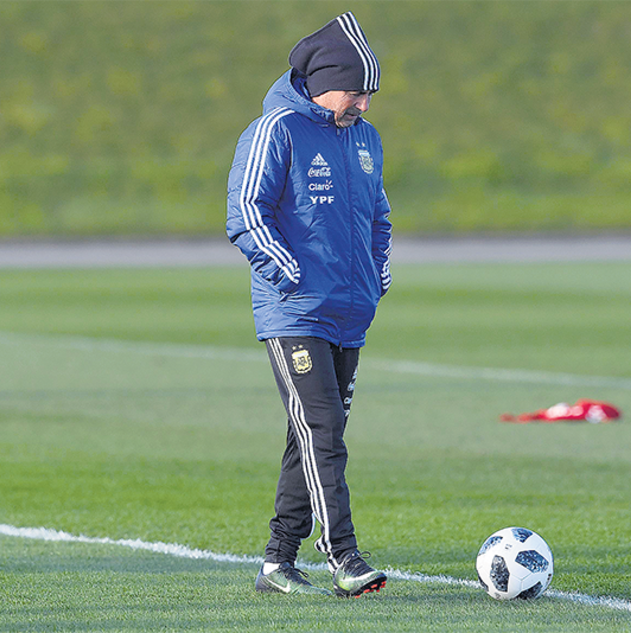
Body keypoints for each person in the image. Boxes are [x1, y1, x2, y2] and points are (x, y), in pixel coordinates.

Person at [226, 12, 392, 597]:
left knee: (314, 433)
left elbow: (378, 216)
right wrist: (290, 275)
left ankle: (277, 562)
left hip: (350, 312)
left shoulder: (365, 138)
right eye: (356, 92)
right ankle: (343, 555)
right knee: (323, 428)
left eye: (369, 95)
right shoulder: (275, 130)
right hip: (294, 311)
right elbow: (247, 212)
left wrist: (377, 272)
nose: (363, 105)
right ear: (324, 83)